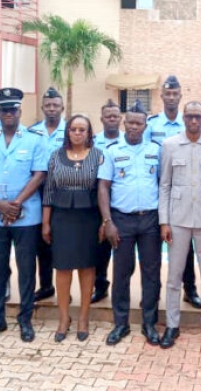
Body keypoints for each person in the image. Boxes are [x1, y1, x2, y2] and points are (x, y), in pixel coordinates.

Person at [0, 87, 48, 343]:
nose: (8, 113)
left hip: (26, 215)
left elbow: (39, 174)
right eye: (4, 109)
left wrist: (15, 203)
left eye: (12, 109)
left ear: (19, 111)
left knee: (26, 269)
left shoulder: (35, 139)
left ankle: (25, 319)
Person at [158, 101, 201, 351]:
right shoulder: (170, 145)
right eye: (190, 116)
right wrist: (164, 221)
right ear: (183, 118)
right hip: (178, 219)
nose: (194, 121)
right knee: (174, 276)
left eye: (198, 116)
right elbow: (165, 185)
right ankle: (172, 325)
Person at [98, 101, 163, 346]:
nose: (134, 127)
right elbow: (103, 187)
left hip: (150, 220)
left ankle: (149, 323)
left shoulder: (156, 150)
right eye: (131, 122)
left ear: (146, 125)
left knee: (151, 273)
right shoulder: (112, 151)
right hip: (121, 220)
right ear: (124, 123)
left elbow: (163, 184)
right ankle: (121, 324)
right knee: (122, 272)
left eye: (139, 123)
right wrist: (108, 221)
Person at [42, 114, 103, 342]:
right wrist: (46, 222)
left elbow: (103, 190)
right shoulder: (56, 156)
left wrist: (104, 222)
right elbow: (49, 190)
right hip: (62, 217)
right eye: (73, 129)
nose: (77, 133)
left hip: (89, 218)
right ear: (67, 132)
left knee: (87, 267)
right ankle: (63, 318)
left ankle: (83, 318)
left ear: (89, 133)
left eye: (82, 129)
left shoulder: (98, 155)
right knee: (63, 267)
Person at [147, 75, 201, 309]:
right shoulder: (152, 124)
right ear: (161, 96)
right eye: (167, 94)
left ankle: (190, 289)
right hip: (157, 189)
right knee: (155, 248)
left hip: (183, 189)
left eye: (175, 94)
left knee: (186, 245)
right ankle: (156, 293)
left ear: (180, 96)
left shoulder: (188, 122)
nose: (171, 97)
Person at [29, 87, 67, 302]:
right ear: (42, 108)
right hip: (38, 190)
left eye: (56, 105)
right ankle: (46, 286)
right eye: (48, 105)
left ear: (62, 108)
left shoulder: (71, 130)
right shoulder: (32, 132)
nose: (52, 108)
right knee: (41, 242)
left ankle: (64, 289)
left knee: (63, 241)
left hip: (63, 192)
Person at [92, 99, 122, 303]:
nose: (112, 119)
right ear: (101, 119)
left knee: (122, 249)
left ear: (120, 119)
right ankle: (100, 286)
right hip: (98, 203)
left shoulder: (129, 140)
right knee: (100, 249)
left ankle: (121, 289)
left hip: (121, 203)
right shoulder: (93, 142)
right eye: (108, 116)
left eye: (115, 116)